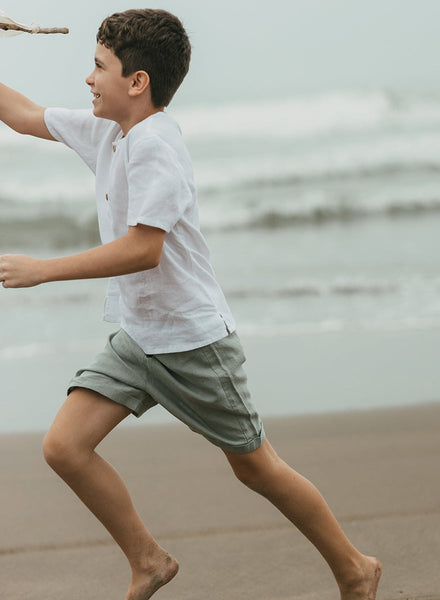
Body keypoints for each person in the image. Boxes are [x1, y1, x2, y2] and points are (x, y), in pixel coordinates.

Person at [0, 9, 381, 600]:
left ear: (138, 82)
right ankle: (148, 560)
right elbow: (22, 116)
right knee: (64, 447)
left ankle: (355, 568)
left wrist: (43, 270)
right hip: (138, 336)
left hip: (192, 341)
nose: (87, 79)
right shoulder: (109, 128)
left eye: (98, 67)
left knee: (257, 467)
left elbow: (143, 249)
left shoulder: (157, 145)